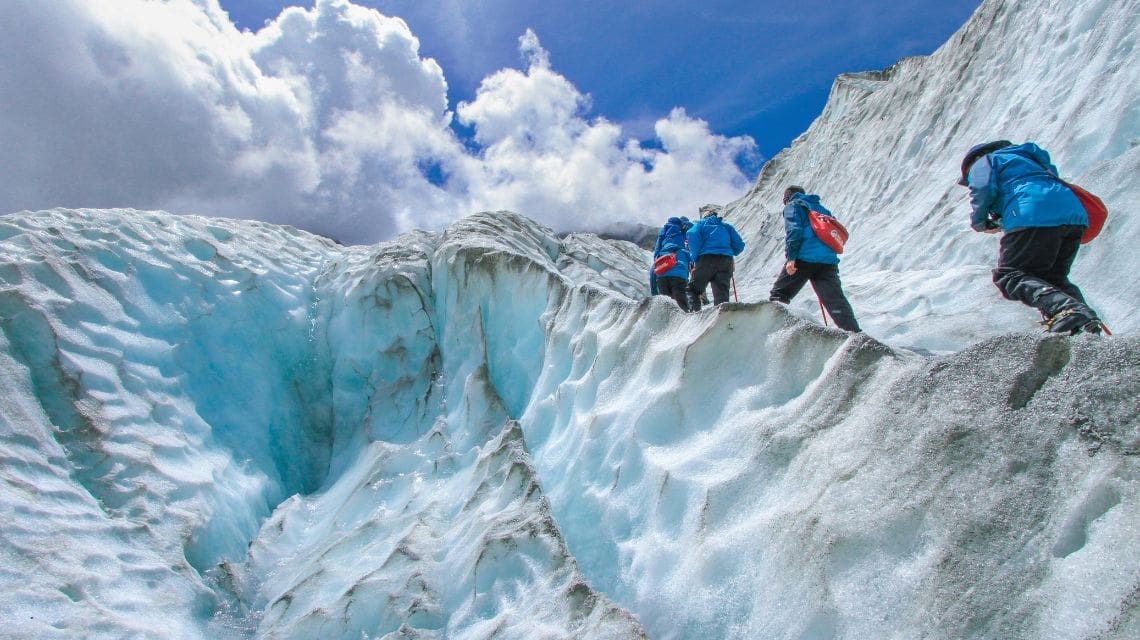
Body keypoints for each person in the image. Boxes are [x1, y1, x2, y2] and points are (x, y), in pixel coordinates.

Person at [958, 140, 1101, 334]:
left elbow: (982, 188)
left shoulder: (985, 161)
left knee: (1009, 275)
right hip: (1073, 214)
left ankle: (1068, 311)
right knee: (1052, 278)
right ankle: (1085, 326)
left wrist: (980, 221)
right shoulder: (1030, 159)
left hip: (1031, 212)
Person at [769, 186, 861, 332]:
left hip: (804, 257)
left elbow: (794, 230)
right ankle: (854, 334)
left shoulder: (792, 205)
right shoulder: (821, 208)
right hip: (828, 260)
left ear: (786, 198)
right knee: (835, 300)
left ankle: (773, 331)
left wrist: (791, 258)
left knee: (779, 294)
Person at [686, 204, 744, 311]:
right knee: (721, 294)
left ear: (704, 217)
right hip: (726, 261)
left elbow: (692, 236)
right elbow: (740, 245)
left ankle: (694, 316)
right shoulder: (726, 227)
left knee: (692, 290)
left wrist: (694, 258)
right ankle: (722, 318)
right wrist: (732, 251)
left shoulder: (700, 225)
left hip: (706, 259)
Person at [652, 216, 693, 310]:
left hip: (662, 273)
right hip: (679, 275)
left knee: (667, 308)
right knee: (682, 306)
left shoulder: (664, 234)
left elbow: (656, 253)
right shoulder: (685, 234)